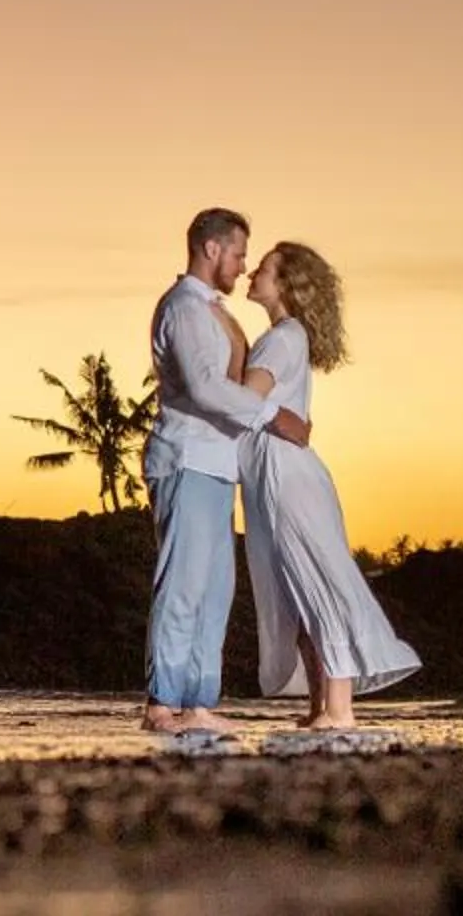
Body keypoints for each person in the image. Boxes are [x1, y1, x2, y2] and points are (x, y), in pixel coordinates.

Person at [237, 240, 420, 726]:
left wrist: (273, 415)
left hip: (285, 473)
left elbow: (244, 400)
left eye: (263, 269)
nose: (252, 274)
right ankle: (321, 704)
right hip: (282, 470)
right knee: (300, 586)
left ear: (286, 285)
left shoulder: (281, 339)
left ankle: (339, 708)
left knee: (318, 581)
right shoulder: (286, 337)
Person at [143, 207, 311, 736]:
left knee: (215, 589)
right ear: (211, 249)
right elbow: (204, 387)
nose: (242, 266)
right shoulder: (184, 308)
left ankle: (198, 702)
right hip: (187, 457)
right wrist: (272, 416)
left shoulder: (212, 309)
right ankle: (162, 704)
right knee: (183, 583)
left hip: (217, 464)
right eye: (238, 254)